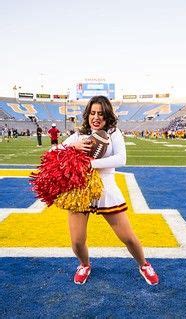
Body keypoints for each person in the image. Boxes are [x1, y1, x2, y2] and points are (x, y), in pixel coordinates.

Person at [61, 95, 159, 286]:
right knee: (77, 241)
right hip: (79, 190)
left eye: (101, 114)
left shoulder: (113, 133)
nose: (96, 117)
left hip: (106, 188)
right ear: (88, 114)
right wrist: (72, 145)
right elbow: (54, 151)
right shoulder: (80, 134)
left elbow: (121, 159)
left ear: (108, 116)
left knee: (127, 237)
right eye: (93, 113)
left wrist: (91, 164)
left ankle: (144, 264)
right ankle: (84, 265)